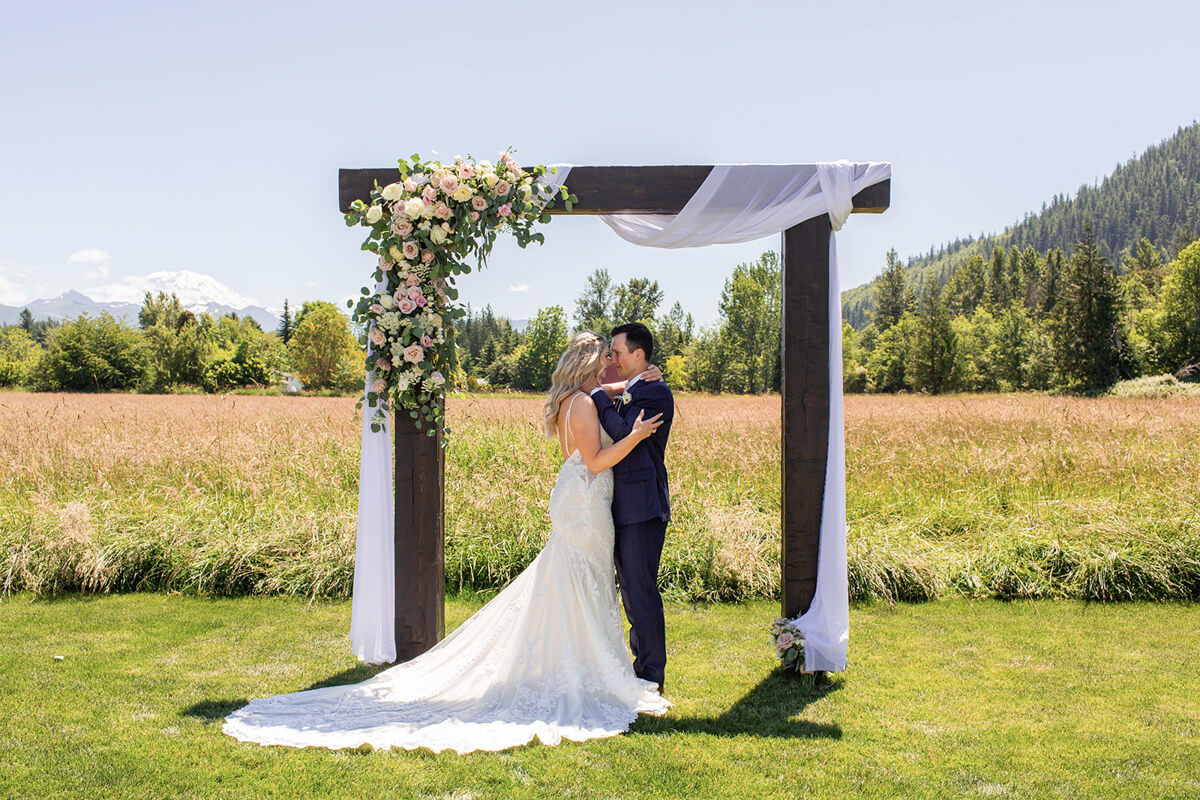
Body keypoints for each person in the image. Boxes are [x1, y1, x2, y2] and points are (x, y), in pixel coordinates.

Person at [223, 331, 670, 754]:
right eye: (604, 361)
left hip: (574, 500)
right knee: (582, 580)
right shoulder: (587, 406)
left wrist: (631, 383)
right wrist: (633, 435)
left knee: (572, 581)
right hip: (587, 501)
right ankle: (586, 673)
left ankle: (574, 666)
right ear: (590, 367)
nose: (610, 366)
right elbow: (594, 461)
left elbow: (598, 407)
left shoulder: (573, 401)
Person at [588, 322, 674, 694]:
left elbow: (624, 431)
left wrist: (594, 392)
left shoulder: (655, 393)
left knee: (641, 593)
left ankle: (652, 676)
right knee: (632, 593)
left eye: (619, 353)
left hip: (643, 507)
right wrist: (600, 390)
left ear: (639, 355)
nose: (613, 360)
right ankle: (641, 668)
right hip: (624, 507)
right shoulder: (637, 387)